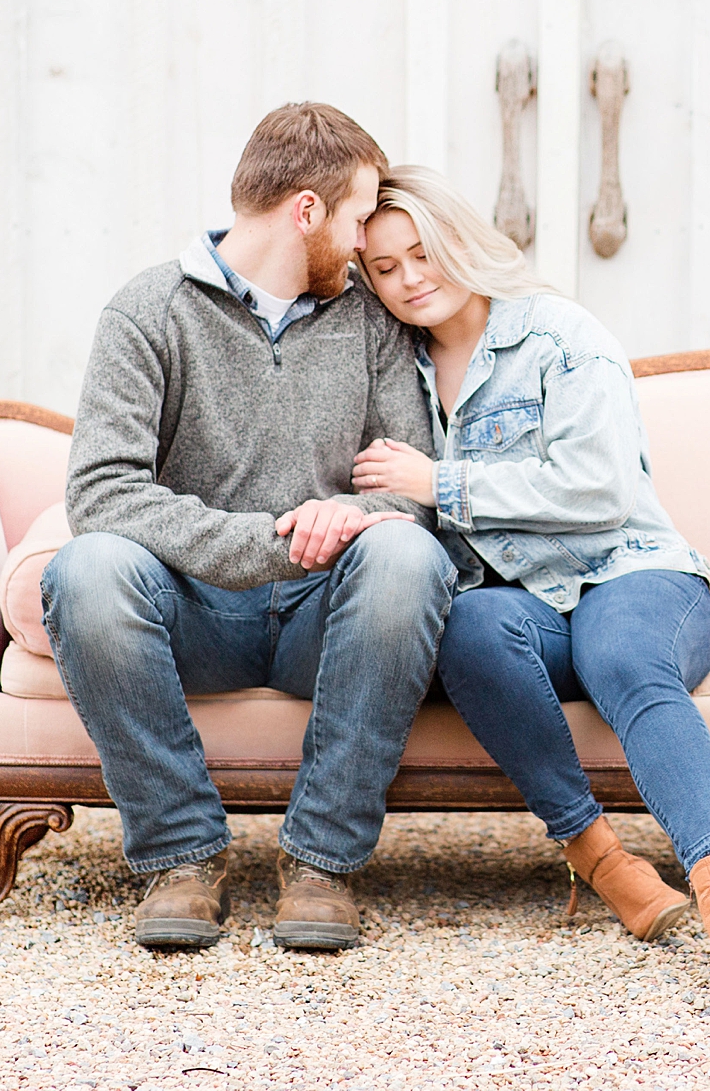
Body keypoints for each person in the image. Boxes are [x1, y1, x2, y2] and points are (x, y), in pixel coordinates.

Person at [350, 166, 710, 994]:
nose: (410, 279)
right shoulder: (390, 370)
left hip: (636, 575)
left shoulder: (559, 336)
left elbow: (599, 490)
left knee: (620, 656)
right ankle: (600, 860)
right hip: (524, 605)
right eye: (385, 268)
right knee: (466, 626)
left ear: (460, 241)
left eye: (422, 253)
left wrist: (439, 482)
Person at [42, 105, 455, 952]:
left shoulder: (369, 321)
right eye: (355, 216)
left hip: (326, 613)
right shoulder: (147, 311)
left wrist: (352, 515)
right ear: (306, 211)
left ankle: (322, 866)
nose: (363, 238)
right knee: (84, 571)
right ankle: (180, 858)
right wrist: (268, 541)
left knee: (409, 557)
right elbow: (102, 492)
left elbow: (411, 492)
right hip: (193, 613)